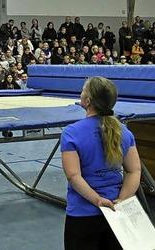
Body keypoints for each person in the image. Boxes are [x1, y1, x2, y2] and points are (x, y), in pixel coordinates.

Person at [61, 77, 141, 250]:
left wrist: (97, 200)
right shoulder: (124, 132)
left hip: (84, 213)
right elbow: (134, 171)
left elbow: (73, 176)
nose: (80, 93)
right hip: (117, 211)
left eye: (83, 90)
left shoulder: (71, 133)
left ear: (88, 101)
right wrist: (122, 199)